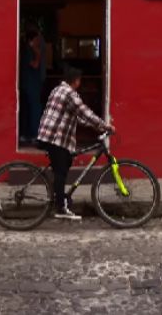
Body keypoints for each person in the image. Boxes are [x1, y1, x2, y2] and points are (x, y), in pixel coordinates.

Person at [37, 66, 114, 220]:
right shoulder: (70, 94)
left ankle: (60, 196)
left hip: (49, 134)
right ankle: (60, 207)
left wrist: (94, 126)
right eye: (79, 80)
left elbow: (76, 116)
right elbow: (85, 112)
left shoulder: (58, 89)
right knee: (60, 171)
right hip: (55, 137)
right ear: (75, 81)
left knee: (64, 164)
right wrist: (104, 126)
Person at [18, 26, 45, 144]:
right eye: (37, 39)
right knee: (34, 110)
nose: (39, 41)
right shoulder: (28, 51)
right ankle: (34, 135)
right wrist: (38, 54)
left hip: (30, 85)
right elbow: (35, 65)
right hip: (30, 86)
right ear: (32, 40)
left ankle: (27, 134)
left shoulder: (27, 50)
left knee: (28, 110)